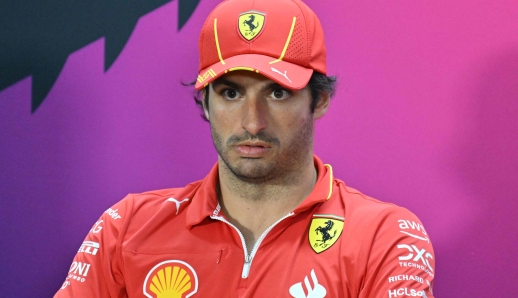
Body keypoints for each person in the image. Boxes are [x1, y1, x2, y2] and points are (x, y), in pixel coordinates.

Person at [55, 0, 435, 297]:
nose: (252, 122)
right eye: (231, 93)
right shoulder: (127, 228)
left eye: (277, 92)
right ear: (205, 103)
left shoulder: (383, 237)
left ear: (319, 101)